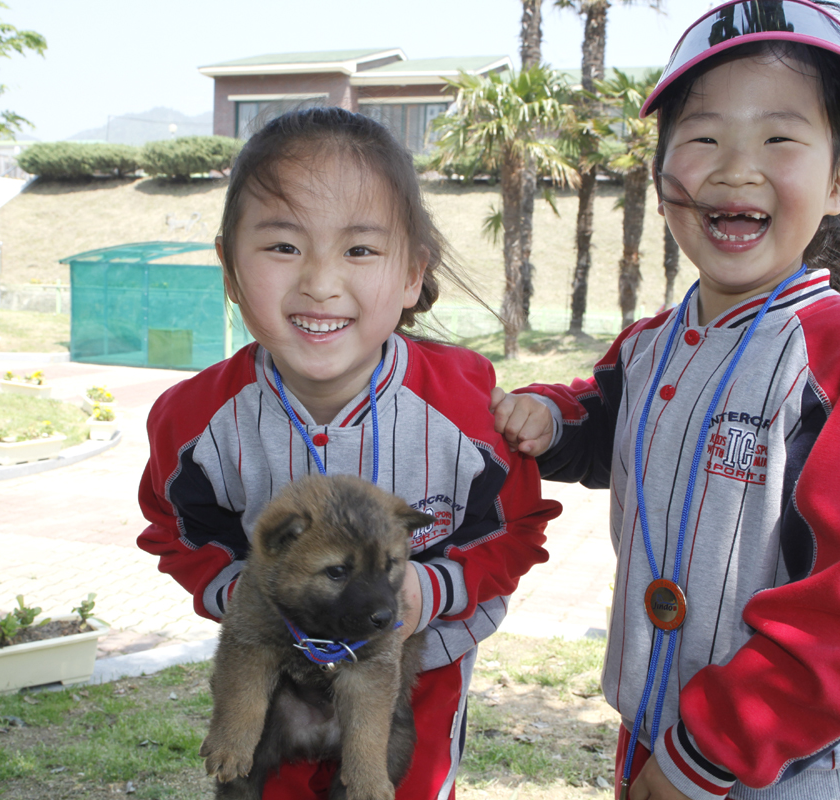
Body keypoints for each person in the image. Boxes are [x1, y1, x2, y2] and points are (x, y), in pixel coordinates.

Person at [491, 3, 840, 799]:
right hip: (652, 733)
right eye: (702, 138)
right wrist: (551, 418)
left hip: (778, 766)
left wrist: (711, 752)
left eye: (779, 138)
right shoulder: (650, 344)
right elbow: (605, 420)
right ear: (665, 183)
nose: (736, 168)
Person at [137, 106, 560, 800]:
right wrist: (241, 596)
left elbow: (517, 528)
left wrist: (435, 590)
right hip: (272, 673)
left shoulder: (465, 407)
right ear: (231, 267)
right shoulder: (192, 420)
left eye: (360, 250)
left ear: (411, 273)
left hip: (414, 675)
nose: (321, 282)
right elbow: (175, 529)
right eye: (282, 247)